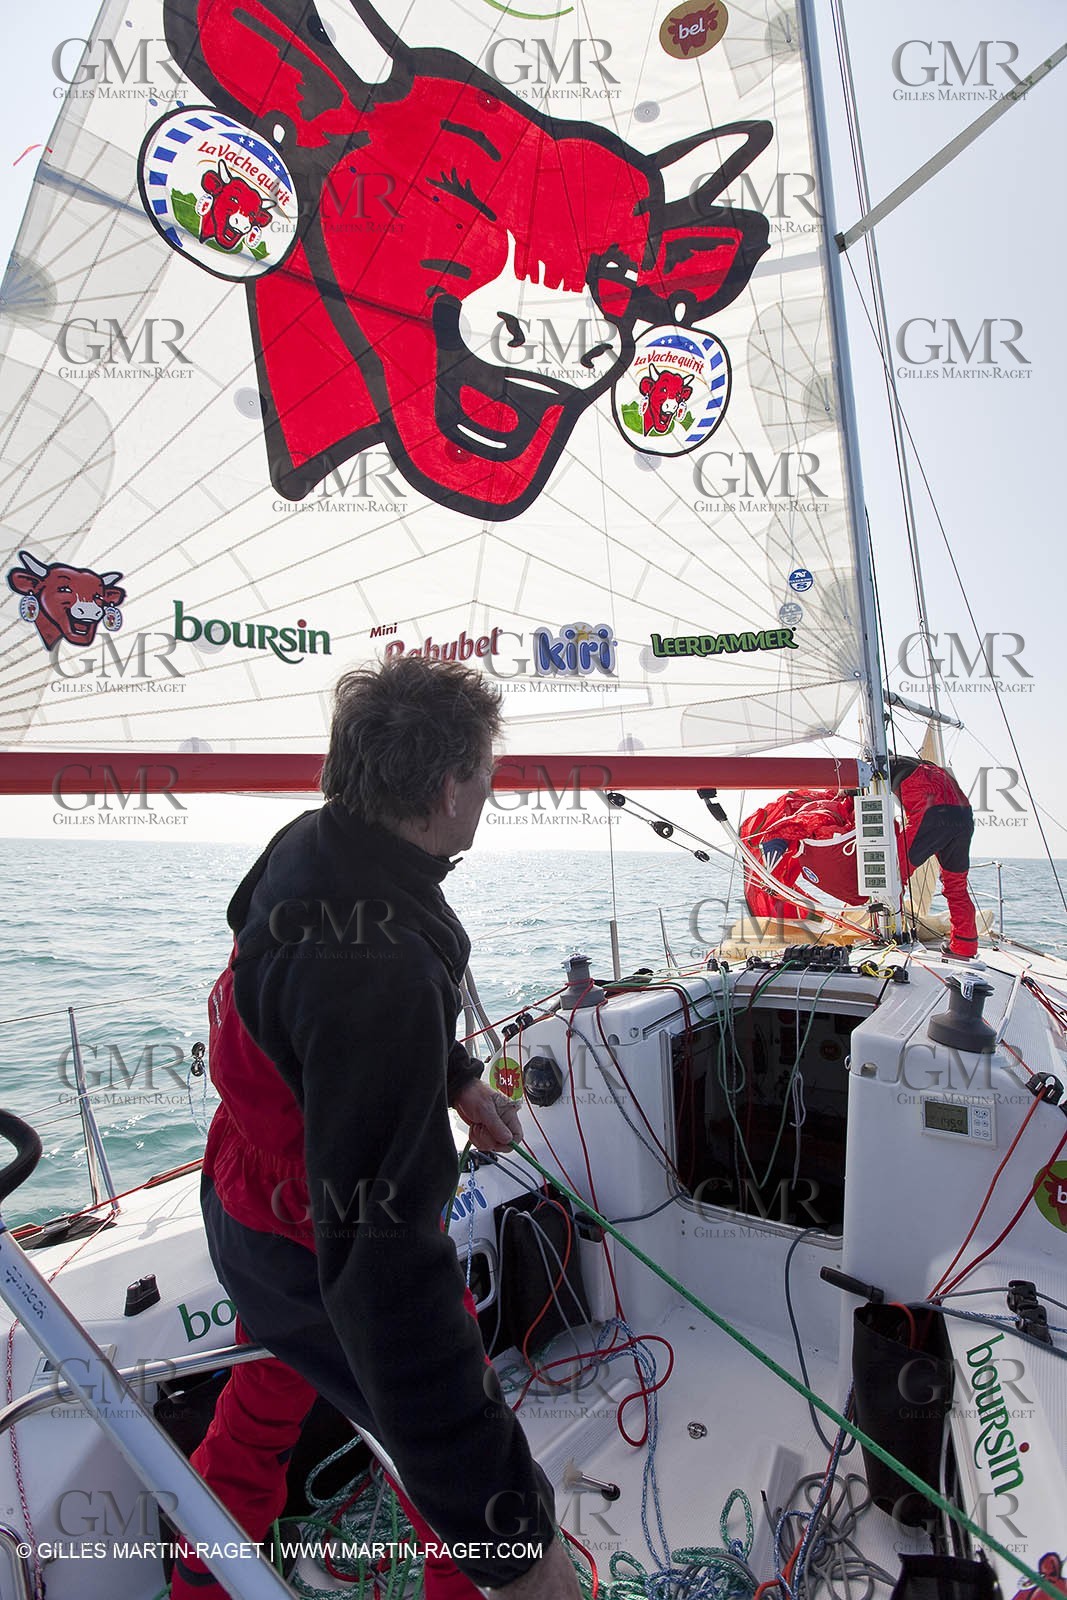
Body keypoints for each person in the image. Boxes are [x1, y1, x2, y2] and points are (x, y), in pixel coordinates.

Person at [170, 659, 581, 1600]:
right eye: (485, 774)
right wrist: (504, 1529)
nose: (488, 791)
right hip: (314, 1246)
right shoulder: (384, 970)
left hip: (241, 1211)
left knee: (266, 1399)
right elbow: (385, 1272)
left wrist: (457, 1079)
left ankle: (198, 1580)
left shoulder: (311, 844)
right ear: (446, 788)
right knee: (439, 1430)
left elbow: (295, 1007)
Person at [889, 754, 979, 959]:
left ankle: (890, 936)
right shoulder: (925, 765)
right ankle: (964, 946)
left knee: (893, 873)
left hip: (931, 813)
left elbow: (855, 799)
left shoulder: (877, 764)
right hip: (963, 815)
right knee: (956, 885)